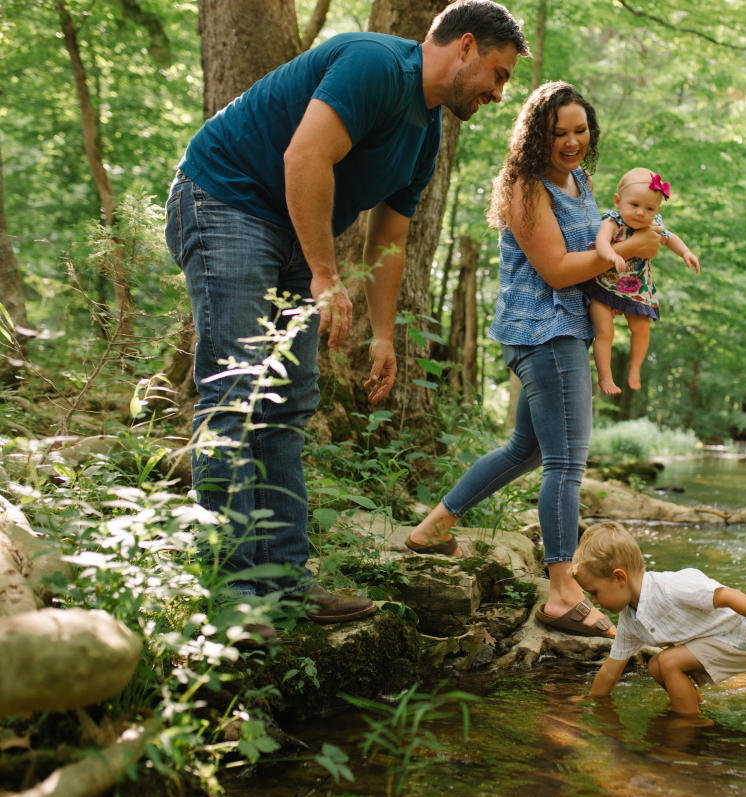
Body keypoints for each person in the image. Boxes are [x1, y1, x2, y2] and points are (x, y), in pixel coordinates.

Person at [164, 1, 528, 640]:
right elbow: (305, 158)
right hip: (225, 199)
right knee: (238, 390)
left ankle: (283, 581)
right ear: (465, 46)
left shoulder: (427, 132)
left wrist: (383, 337)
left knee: (287, 403)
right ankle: (230, 594)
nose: (500, 94)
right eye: (498, 75)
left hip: (294, 233)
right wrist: (326, 278)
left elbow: (391, 237)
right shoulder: (375, 64)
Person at [401, 82, 665, 638]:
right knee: (566, 464)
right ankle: (563, 591)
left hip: (565, 330)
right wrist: (630, 255)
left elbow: (597, 250)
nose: (571, 142)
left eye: (580, 130)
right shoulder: (525, 186)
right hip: (544, 331)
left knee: (525, 450)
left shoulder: (583, 181)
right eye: (558, 132)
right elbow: (556, 271)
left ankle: (432, 527)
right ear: (535, 134)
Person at [573, 522, 746, 716]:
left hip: (740, 638)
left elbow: (729, 596)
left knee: (668, 662)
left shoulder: (672, 588)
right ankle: (696, 707)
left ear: (619, 578)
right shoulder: (630, 620)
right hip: (714, 641)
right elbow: (610, 672)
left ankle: (689, 723)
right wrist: (590, 706)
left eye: (594, 592)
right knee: (656, 666)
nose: (593, 601)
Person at [585, 168, 700, 394]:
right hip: (604, 283)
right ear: (618, 201)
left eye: (649, 208)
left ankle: (635, 367)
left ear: (657, 210)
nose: (640, 213)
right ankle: (605, 377)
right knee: (604, 331)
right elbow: (601, 242)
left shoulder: (653, 224)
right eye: (634, 205)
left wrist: (685, 252)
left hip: (635, 287)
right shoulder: (613, 221)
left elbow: (670, 238)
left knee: (641, 328)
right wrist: (611, 255)